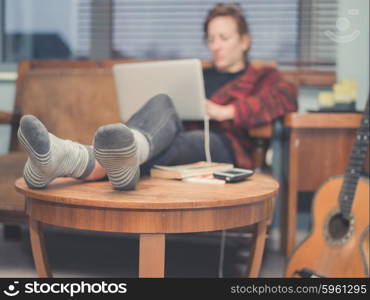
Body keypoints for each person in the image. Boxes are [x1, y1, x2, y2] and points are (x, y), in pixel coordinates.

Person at [18, 3, 298, 191]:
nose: (216, 46)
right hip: (171, 138)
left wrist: (229, 112)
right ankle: (120, 161)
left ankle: (70, 158)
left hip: (221, 145)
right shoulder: (197, 73)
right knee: (163, 101)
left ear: (245, 41)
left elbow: (287, 97)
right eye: (211, 39)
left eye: (224, 38)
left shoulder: (263, 77)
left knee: (189, 141)